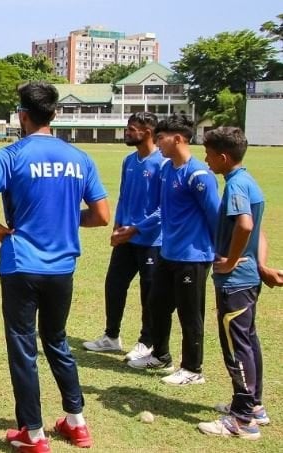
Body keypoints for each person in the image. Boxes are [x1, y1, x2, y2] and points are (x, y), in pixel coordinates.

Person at [0, 82, 109, 452]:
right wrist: (64, 218)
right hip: (62, 269)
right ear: (54, 114)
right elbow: (102, 215)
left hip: (21, 265)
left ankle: (34, 433)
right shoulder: (80, 158)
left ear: (22, 116)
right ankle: (77, 423)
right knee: (57, 341)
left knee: (24, 347)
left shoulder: (11, 155)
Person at [128, 114, 220, 387]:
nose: (157, 144)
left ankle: (192, 368)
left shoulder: (199, 175)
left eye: (161, 139)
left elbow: (215, 215)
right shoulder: (167, 170)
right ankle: (160, 354)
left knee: (190, 314)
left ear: (178, 139)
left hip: (193, 256)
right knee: (157, 305)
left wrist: (222, 252)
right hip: (168, 253)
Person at [197, 127, 267, 439]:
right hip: (248, 278)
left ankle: (242, 421)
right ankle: (254, 407)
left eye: (209, 155)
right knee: (249, 342)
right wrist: (260, 263)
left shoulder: (236, 185)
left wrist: (230, 260)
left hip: (235, 282)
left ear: (223, 157)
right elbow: (259, 229)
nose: (206, 160)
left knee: (237, 348)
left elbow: (246, 225)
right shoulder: (249, 181)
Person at [83, 112, 165, 362]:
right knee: (114, 285)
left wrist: (137, 228)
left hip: (152, 241)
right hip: (126, 237)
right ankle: (111, 336)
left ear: (147, 132)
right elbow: (124, 196)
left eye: (131, 129)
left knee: (149, 293)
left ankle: (147, 341)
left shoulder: (163, 163)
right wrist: (117, 227)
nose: (127, 133)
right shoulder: (129, 161)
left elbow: (165, 208)